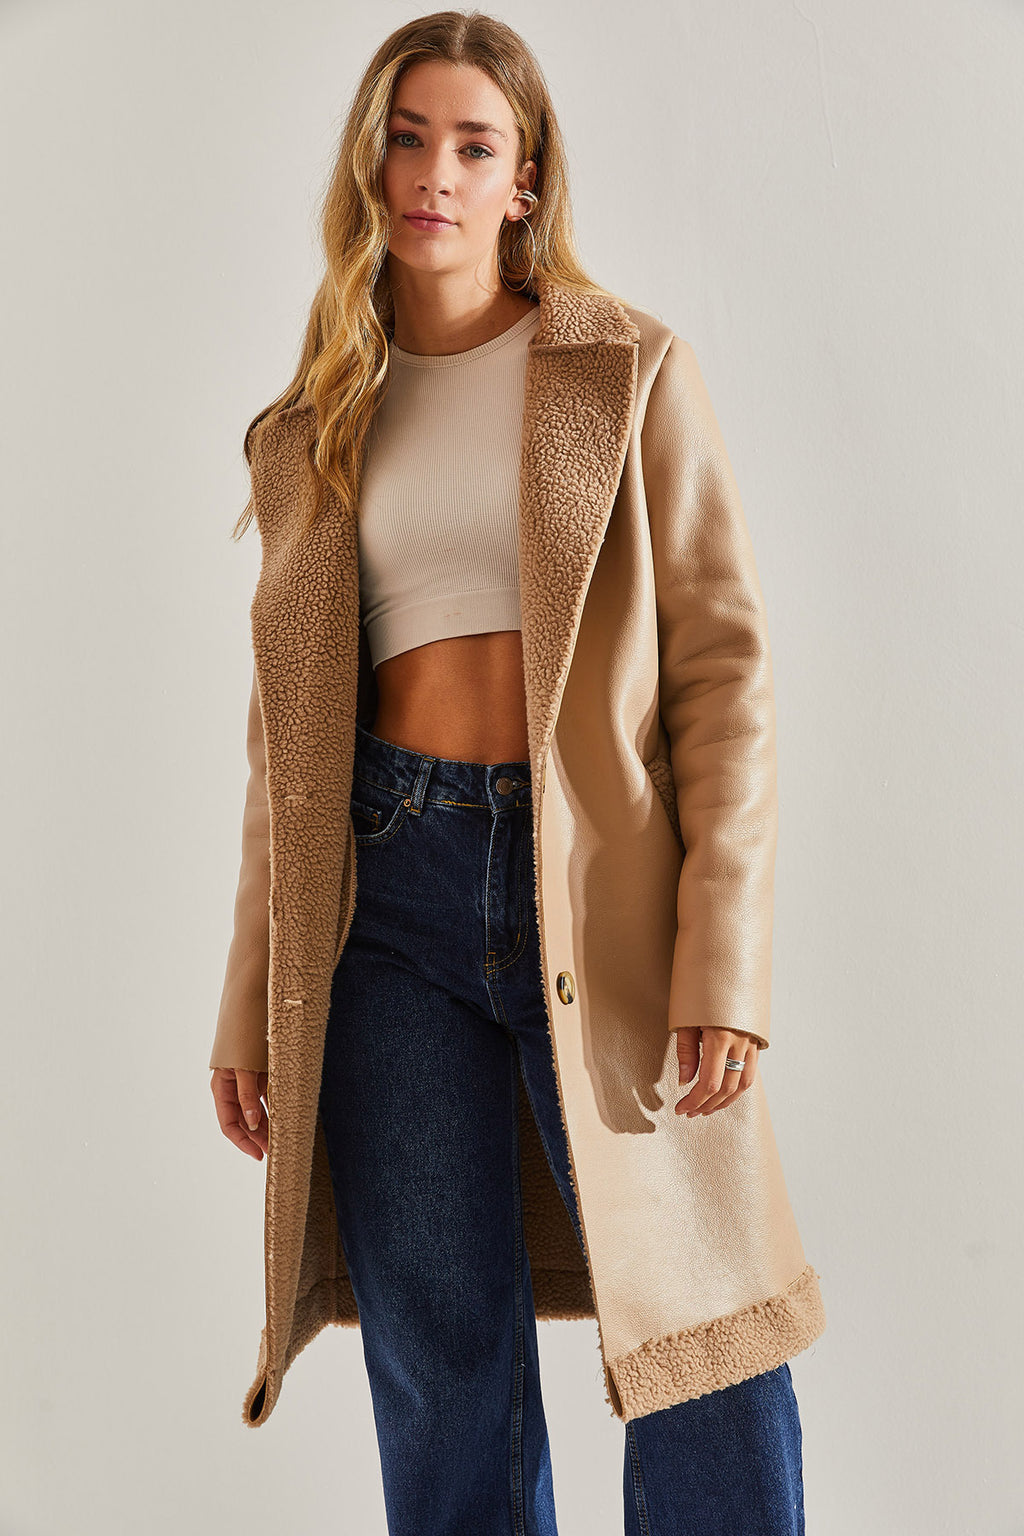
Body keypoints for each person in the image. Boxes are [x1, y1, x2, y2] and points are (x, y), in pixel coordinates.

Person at [209, 11, 825, 1533]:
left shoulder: (623, 371)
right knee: (441, 1365)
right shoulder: (313, 428)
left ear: (524, 181)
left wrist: (724, 961)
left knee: (700, 1335)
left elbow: (723, 676)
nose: (436, 172)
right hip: (386, 906)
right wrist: (251, 999)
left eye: (473, 145)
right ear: (370, 168)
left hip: (599, 893)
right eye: (407, 139)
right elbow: (283, 748)